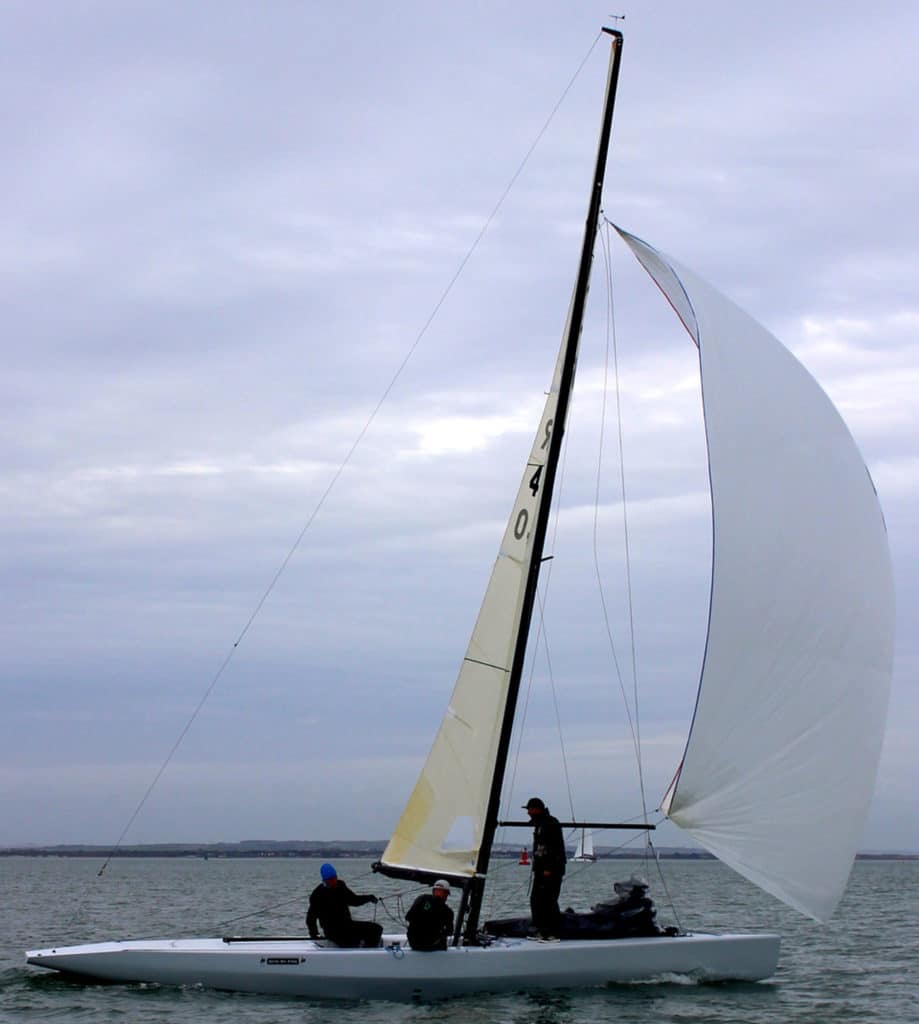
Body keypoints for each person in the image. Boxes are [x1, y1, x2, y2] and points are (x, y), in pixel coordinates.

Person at [306, 863, 383, 948]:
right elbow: (310, 919)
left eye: (335, 878)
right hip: (333, 931)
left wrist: (369, 898)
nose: (334, 882)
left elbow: (354, 900)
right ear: (325, 881)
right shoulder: (317, 895)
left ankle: (369, 953)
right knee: (352, 941)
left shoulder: (340, 886)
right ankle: (361, 953)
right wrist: (315, 935)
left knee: (377, 929)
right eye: (331, 880)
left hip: (348, 925)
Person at [523, 796, 566, 940]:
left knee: (548, 901)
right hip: (541, 871)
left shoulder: (550, 823)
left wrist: (549, 868)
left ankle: (552, 932)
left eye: (529, 809)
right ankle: (540, 930)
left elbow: (554, 848)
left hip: (550, 871)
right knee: (536, 900)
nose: (528, 812)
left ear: (536, 809)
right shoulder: (540, 823)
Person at [406, 879, 455, 951]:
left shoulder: (422, 898)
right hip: (431, 946)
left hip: (414, 944)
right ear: (446, 894)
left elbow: (408, 917)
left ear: (433, 891)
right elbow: (450, 932)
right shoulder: (448, 911)